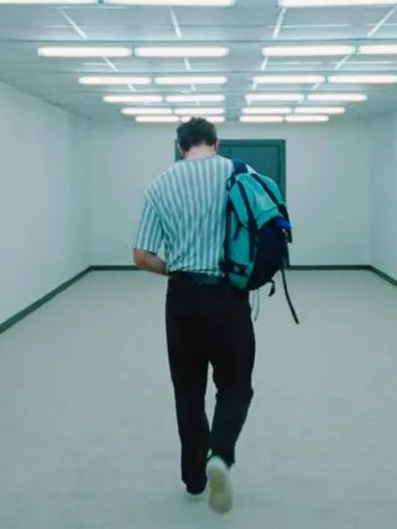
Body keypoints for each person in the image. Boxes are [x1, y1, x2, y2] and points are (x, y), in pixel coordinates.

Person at [132, 118, 256, 515]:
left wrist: (177, 269)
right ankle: (220, 455)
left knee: (188, 391)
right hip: (229, 296)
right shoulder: (241, 174)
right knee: (235, 385)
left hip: (182, 298)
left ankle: (194, 478)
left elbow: (141, 256)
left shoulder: (159, 184)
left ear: (180, 145)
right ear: (215, 142)